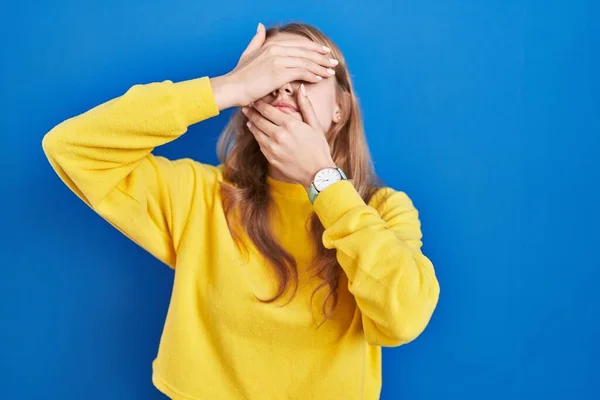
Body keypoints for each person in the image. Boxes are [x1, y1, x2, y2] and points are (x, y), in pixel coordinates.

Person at [42, 21, 440, 400]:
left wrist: (323, 180)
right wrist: (227, 86)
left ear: (341, 108)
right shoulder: (200, 195)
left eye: (302, 76)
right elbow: (71, 148)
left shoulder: (384, 208)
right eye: (269, 78)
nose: (284, 90)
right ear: (249, 104)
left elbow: (403, 317)